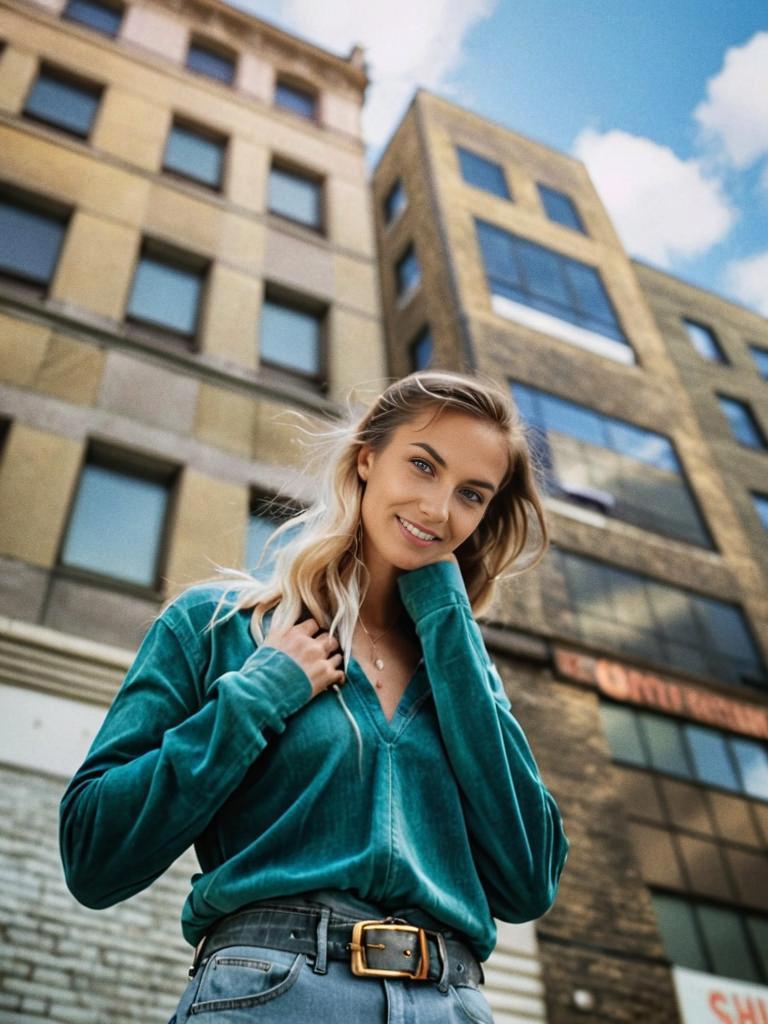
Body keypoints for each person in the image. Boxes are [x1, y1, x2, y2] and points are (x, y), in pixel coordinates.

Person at [59, 369, 569, 1023]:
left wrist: (446, 619)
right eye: (422, 466)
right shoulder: (216, 627)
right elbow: (94, 854)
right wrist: (260, 695)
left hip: (452, 1004)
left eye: (471, 494)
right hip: (272, 994)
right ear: (367, 459)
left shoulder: (467, 674)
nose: (439, 510)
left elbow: (529, 883)